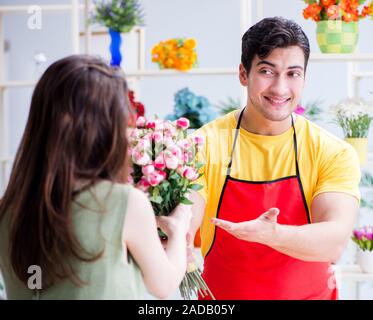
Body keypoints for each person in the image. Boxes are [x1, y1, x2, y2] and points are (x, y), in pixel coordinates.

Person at [187, 17, 361, 300]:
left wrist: (272, 234)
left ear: (304, 77)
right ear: (244, 74)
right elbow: (187, 217)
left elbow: (334, 241)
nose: (280, 88)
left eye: (293, 73)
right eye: (267, 71)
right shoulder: (202, 146)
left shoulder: (331, 151)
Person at [0, 55, 192, 300]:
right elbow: (163, 285)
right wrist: (178, 228)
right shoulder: (124, 202)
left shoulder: (7, 211)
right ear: (105, 129)